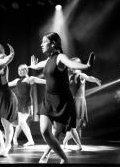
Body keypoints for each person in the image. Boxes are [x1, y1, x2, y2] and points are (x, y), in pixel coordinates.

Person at [28, 32, 94, 163]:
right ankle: (55, 157)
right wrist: (34, 66)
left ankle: (61, 159)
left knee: (56, 133)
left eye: (44, 42)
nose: (41, 44)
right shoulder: (48, 59)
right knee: (45, 132)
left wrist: (86, 66)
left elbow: (71, 64)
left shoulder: (60, 57)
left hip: (62, 101)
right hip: (48, 100)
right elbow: (41, 64)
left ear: (53, 44)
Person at [62, 57, 101, 150]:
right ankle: (71, 143)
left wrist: (95, 80)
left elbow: (89, 78)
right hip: (71, 101)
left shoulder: (81, 74)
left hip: (80, 101)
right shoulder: (69, 76)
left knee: (78, 124)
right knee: (73, 125)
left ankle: (65, 141)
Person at [8, 64, 35, 147]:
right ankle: (14, 138)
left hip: (26, 104)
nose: (19, 71)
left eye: (22, 70)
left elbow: (30, 79)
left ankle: (31, 141)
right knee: (21, 123)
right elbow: (7, 84)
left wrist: (31, 67)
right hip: (19, 104)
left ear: (26, 71)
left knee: (22, 122)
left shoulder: (28, 79)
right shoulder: (17, 80)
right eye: (18, 70)